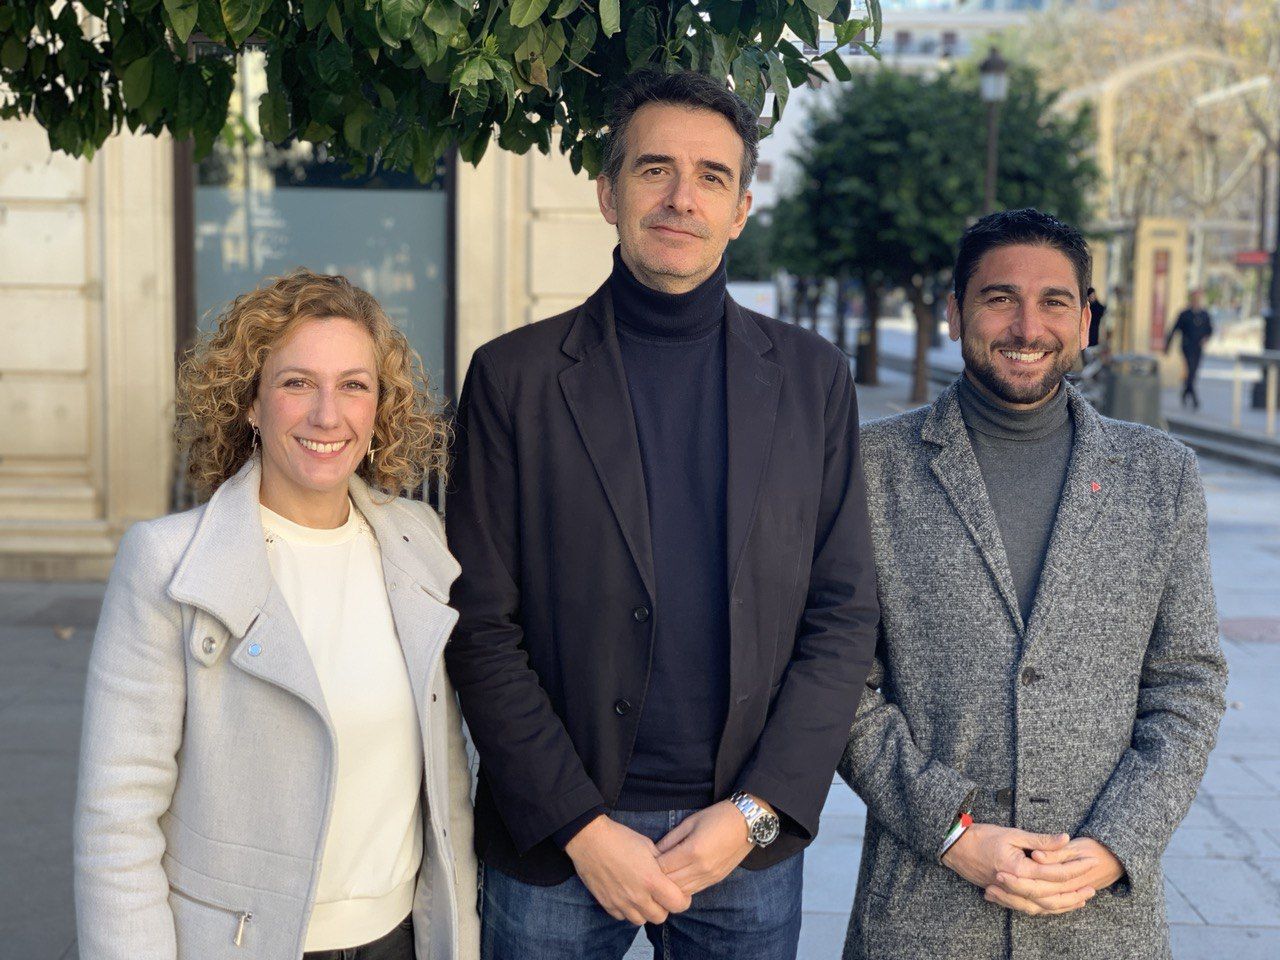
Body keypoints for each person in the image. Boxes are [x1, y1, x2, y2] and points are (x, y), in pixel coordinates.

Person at [444, 69, 880, 960]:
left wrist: (755, 815)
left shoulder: (811, 380)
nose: (682, 198)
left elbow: (843, 618)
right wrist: (576, 824)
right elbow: (479, 623)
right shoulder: (512, 379)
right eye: (654, 170)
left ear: (743, 208)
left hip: (740, 847)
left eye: (712, 177)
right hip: (560, 846)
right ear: (607, 193)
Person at [839, 209, 1227, 960]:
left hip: (1101, 917)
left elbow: (1188, 685)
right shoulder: (872, 467)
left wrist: (1118, 842)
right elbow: (840, 681)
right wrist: (952, 833)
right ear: (955, 313)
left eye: (1054, 302)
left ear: (1085, 321)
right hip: (922, 913)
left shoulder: (1161, 476)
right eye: (998, 298)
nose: (1027, 326)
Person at [74, 270, 479, 960]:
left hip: (404, 940)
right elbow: (117, 820)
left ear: (380, 408)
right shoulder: (166, 563)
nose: (328, 414)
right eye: (296, 383)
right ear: (251, 404)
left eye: (354, 385)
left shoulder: (421, 541)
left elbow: (446, 785)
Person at [1166, 290, 1214, 408]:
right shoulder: (1185, 314)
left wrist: (1206, 338)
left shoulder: (1204, 314)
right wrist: (1167, 346)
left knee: (1193, 372)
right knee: (1191, 370)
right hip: (1187, 346)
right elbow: (1174, 329)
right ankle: (1195, 400)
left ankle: (1185, 393)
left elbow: (1210, 330)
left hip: (1198, 348)